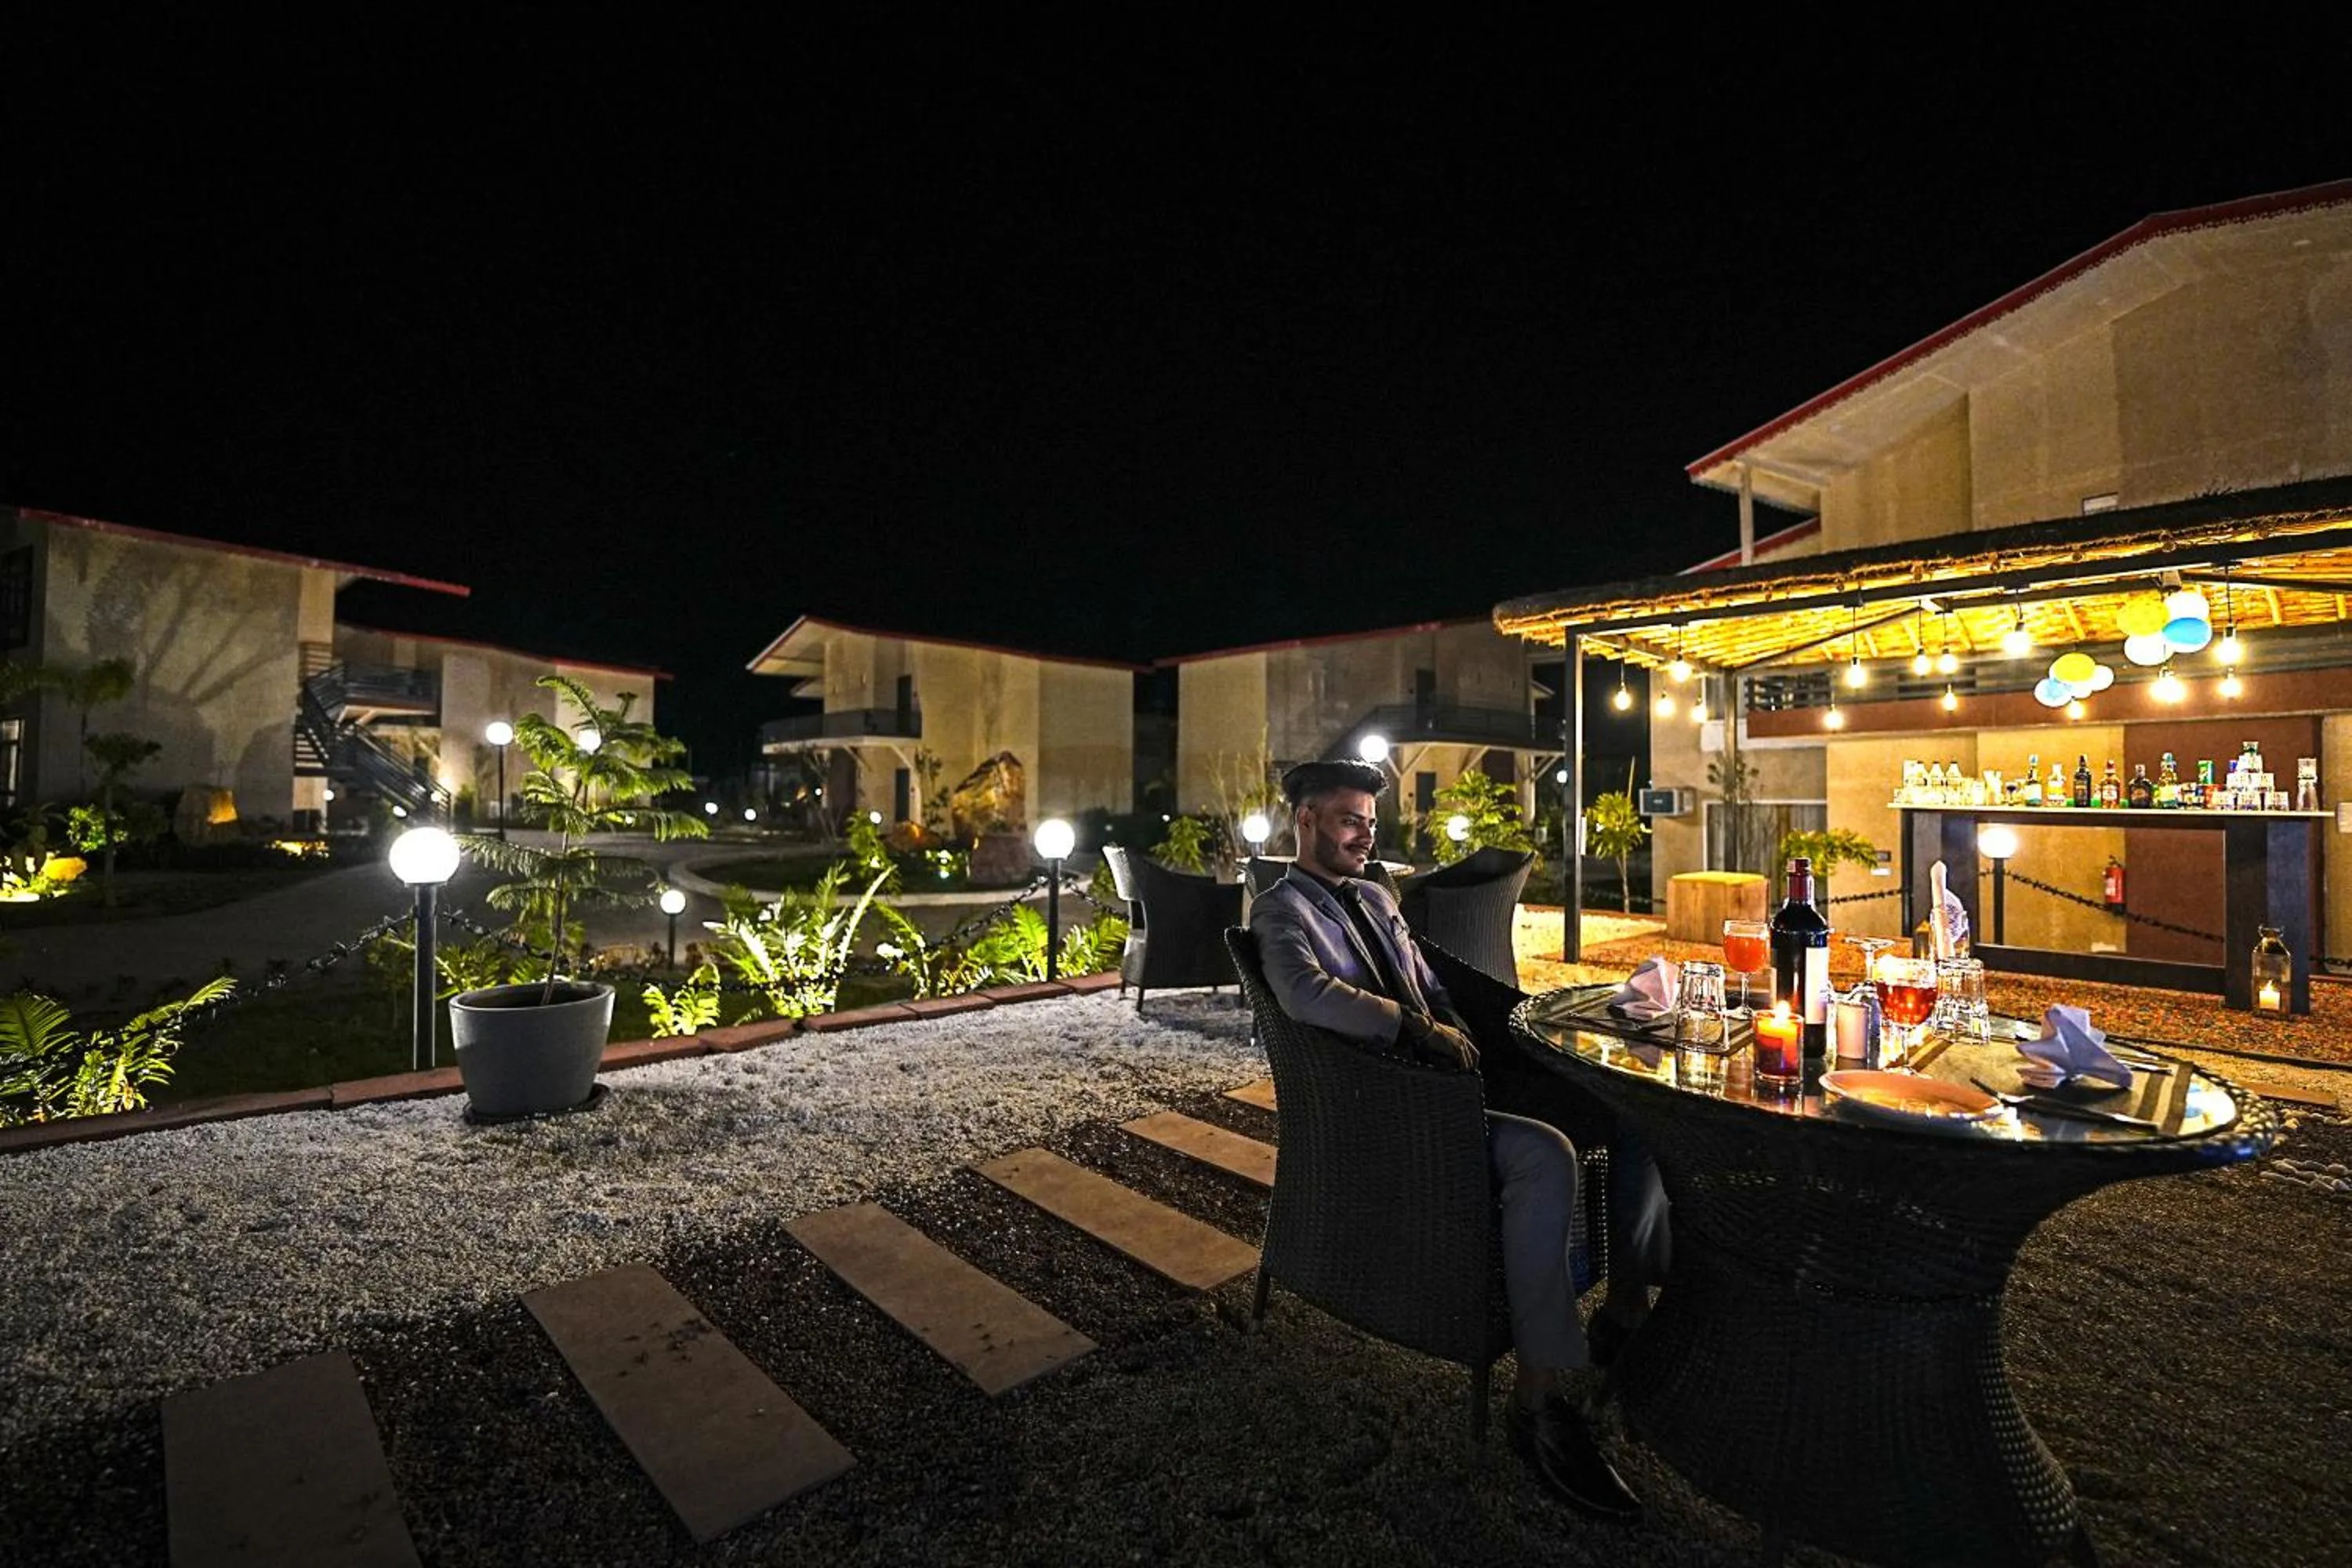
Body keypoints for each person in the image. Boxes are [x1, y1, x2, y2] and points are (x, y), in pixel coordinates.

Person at [1249, 758, 1665, 1522]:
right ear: (1305, 820)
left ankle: (1628, 1305)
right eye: (1349, 819)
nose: (1365, 833)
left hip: (1461, 1077)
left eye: (1370, 821)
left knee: (1630, 1104)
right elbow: (1305, 994)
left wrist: (1486, 1027)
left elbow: (1435, 979)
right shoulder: (1280, 909)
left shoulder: (1376, 894)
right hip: (1399, 1110)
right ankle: (1537, 1403)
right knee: (1546, 1153)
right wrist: (1414, 1028)